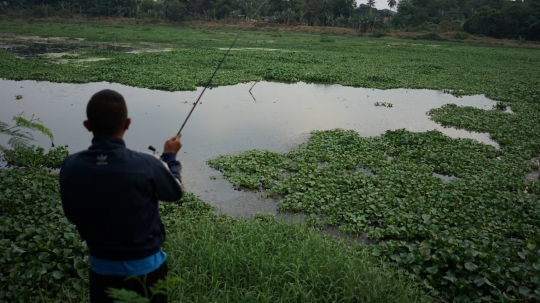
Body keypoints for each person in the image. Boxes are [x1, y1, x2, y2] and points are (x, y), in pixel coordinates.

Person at [59, 89, 184, 303]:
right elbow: (175, 192)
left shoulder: (71, 166)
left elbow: (71, 214)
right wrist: (170, 157)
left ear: (88, 125)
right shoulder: (147, 163)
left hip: (101, 269)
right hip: (148, 270)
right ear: (127, 123)